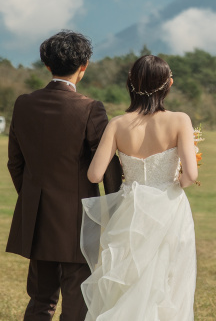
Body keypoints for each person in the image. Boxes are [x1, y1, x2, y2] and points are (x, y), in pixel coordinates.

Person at [6, 30, 123, 321]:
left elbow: (15, 163)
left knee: (40, 299)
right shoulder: (90, 108)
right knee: (77, 301)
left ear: (47, 65)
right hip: (78, 219)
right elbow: (107, 165)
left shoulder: (23, 103)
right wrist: (113, 208)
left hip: (37, 217)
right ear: (84, 65)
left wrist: (33, 197)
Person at [80, 54, 198, 321]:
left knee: (128, 282)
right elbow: (191, 175)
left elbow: (94, 174)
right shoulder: (180, 120)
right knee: (170, 282)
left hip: (130, 209)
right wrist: (174, 183)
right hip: (169, 208)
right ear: (168, 84)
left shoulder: (118, 123)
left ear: (130, 84)